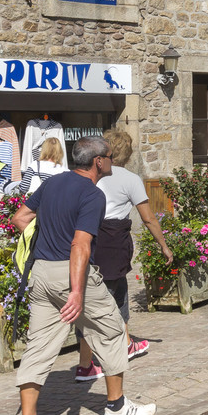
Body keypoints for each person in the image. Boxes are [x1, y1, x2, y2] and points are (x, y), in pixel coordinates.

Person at [9, 136, 154, 415]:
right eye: (110, 157)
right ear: (99, 161)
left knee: (38, 346)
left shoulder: (52, 183)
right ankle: (116, 407)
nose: (112, 161)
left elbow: (20, 218)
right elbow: (80, 245)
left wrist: (45, 238)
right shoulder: (92, 194)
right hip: (71, 273)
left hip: (42, 273)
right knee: (113, 329)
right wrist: (76, 292)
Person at [74, 129, 174, 378]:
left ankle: (94, 358)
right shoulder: (129, 178)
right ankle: (101, 358)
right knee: (117, 296)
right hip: (113, 242)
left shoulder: (85, 177)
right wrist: (163, 244)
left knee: (89, 298)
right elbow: (149, 218)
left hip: (87, 239)